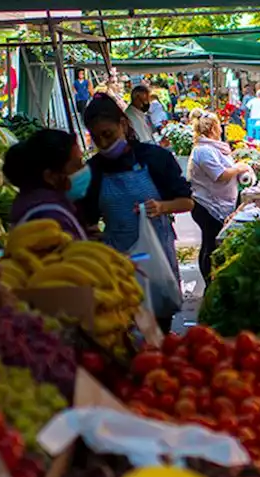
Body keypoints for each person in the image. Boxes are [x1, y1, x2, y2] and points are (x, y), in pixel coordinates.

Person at [77, 94, 194, 334]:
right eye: (97, 139)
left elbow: (187, 202)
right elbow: (86, 221)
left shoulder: (156, 158)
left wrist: (162, 207)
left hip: (157, 260)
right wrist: (92, 238)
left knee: (159, 329)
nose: (104, 143)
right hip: (119, 266)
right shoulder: (93, 170)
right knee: (124, 331)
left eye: (108, 134)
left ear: (123, 124)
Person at [188, 113, 249, 286]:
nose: (221, 130)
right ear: (212, 128)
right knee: (210, 244)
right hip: (207, 205)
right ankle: (209, 284)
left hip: (217, 203)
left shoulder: (212, 148)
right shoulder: (204, 150)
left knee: (211, 242)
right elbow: (220, 175)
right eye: (218, 126)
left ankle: (213, 280)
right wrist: (239, 168)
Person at [3, 129, 88, 239]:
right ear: (50, 176)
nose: (83, 170)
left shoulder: (34, 203)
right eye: (77, 166)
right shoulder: (51, 220)